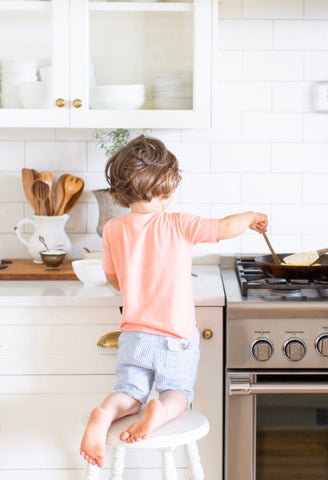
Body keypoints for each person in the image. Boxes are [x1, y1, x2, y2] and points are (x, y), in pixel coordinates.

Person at [80, 135, 268, 467]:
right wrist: (251, 215)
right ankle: (161, 410)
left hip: (135, 335)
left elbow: (113, 278)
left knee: (129, 393)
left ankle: (105, 412)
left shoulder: (112, 229)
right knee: (177, 394)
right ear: (165, 187)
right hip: (176, 338)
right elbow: (223, 228)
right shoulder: (179, 223)